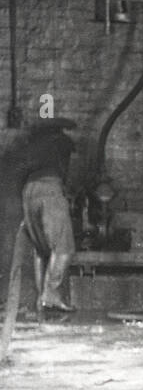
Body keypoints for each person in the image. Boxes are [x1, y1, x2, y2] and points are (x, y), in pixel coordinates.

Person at [14, 119, 77, 314]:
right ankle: (52, 296)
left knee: (41, 248)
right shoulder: (62, 142)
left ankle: (41, 297)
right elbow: (69, 172)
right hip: (50, 188)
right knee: (64, 247)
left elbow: (19, 172)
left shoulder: (30, 144)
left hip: (28, 192)